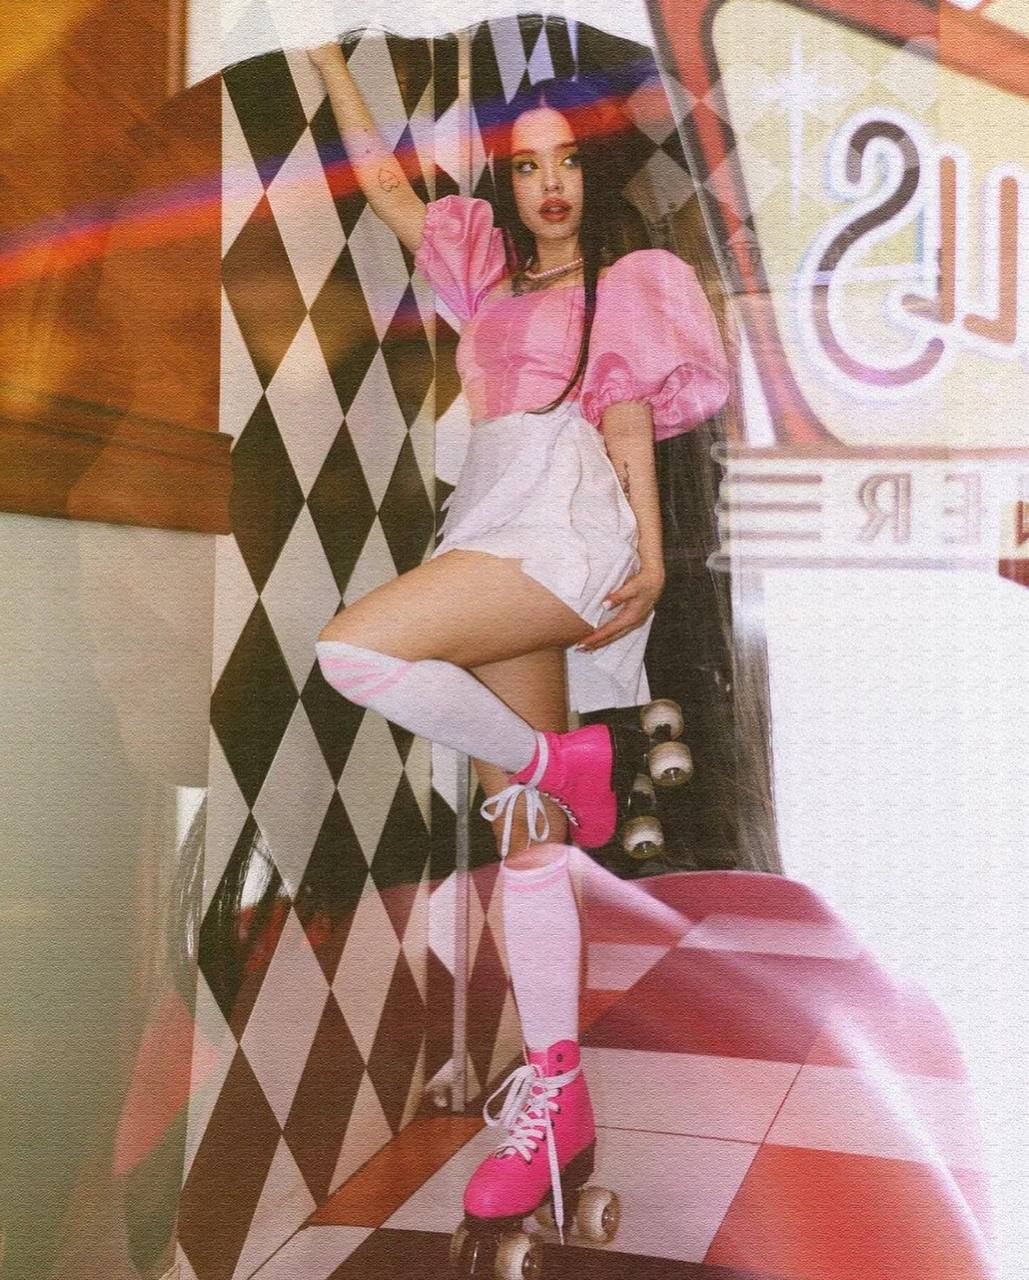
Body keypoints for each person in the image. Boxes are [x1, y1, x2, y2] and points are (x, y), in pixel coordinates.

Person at [306, 39, 731, 1254]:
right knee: (530, 844)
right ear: (506, 179)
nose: (550, 185)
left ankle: (555, 762)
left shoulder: (622, 284)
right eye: (528, 164)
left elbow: (631, 429)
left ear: (592, 175)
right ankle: (559, 1099)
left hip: (561, 530)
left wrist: (652, 561)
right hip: (490, 523)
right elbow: (387, 187)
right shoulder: (481, 280)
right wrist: (330, 52)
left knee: (352, 652)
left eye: (568, 163)